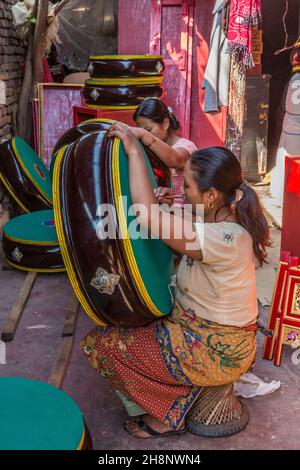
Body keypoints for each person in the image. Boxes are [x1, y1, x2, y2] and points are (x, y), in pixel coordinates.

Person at [81, 123, 271, 438]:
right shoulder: (221, 215)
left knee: (100, 345)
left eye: (189, 188)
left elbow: (147, 217)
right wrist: (167, 204)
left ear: (211, 195)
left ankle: (167, 413)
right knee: (135, 322)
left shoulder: (224, 237)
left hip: (214, 351)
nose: (183, 192)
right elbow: (172, 220)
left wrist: (133, 149)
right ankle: (176, 391)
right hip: (208, 334)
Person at [130, 98, 197, 207]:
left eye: (149, 129)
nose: (145, 135)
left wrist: (145, 135)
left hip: (185, 213)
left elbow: (175, 160)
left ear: (165, 124)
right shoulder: (149, 150)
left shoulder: (186, 146)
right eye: (141, 130)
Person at [270, 41, 300, 206]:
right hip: (294, 128)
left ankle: (282, 195)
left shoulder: (293, 79)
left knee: (285, 163)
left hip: (289, 127)